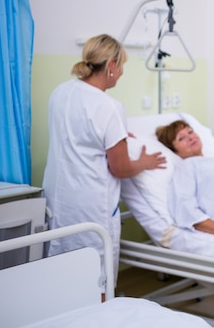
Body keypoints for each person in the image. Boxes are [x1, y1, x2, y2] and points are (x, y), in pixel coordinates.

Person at [43, 34, 166, 290]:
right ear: (111, 65)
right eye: (121, 67)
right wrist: (143, 161)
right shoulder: (108, 106)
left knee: (62, 272)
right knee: (96, 278)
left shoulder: (60, 92)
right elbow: (120, 168)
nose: (121, 74)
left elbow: (77, 136)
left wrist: (119, 134)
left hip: (59, 201)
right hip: (91, 207)